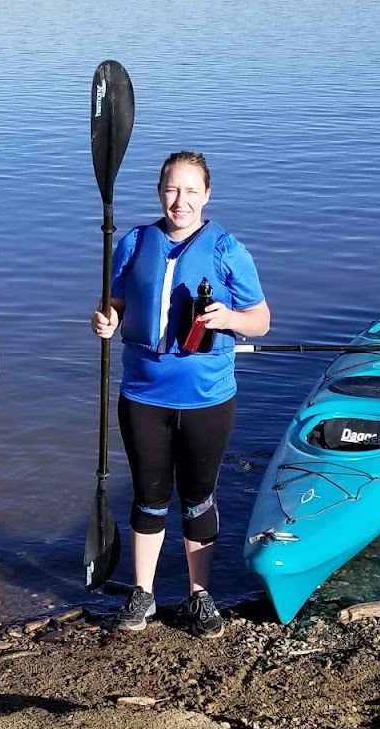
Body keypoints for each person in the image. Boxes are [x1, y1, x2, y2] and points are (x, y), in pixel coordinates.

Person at [91, 150, 270, 636]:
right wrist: (105, 320)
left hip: (207, 398)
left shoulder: (228, 249)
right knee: (149, 497)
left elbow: (262, 320)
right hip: (144, 395)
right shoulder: (133, 243)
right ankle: (142, 596)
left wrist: (229, 319)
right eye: (172, 189)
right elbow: (115, 305)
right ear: (159, 192)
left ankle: (199, 597)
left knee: (197, 497)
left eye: (191, 190)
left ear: (207, 195)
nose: (180, 200)